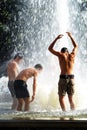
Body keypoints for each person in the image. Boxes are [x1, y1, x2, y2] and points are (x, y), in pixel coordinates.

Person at [48, 32, 78, 111]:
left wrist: (56, 39)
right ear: (68, 51)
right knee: (71, 99)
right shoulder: (72, 55)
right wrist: (70, 36)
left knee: (61, 98)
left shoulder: (60, 55)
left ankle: (64, 113)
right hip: (72, 78)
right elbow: (76, 46)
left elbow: (50, 49)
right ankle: (73, 114)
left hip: (63, 78)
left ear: (62, 51)